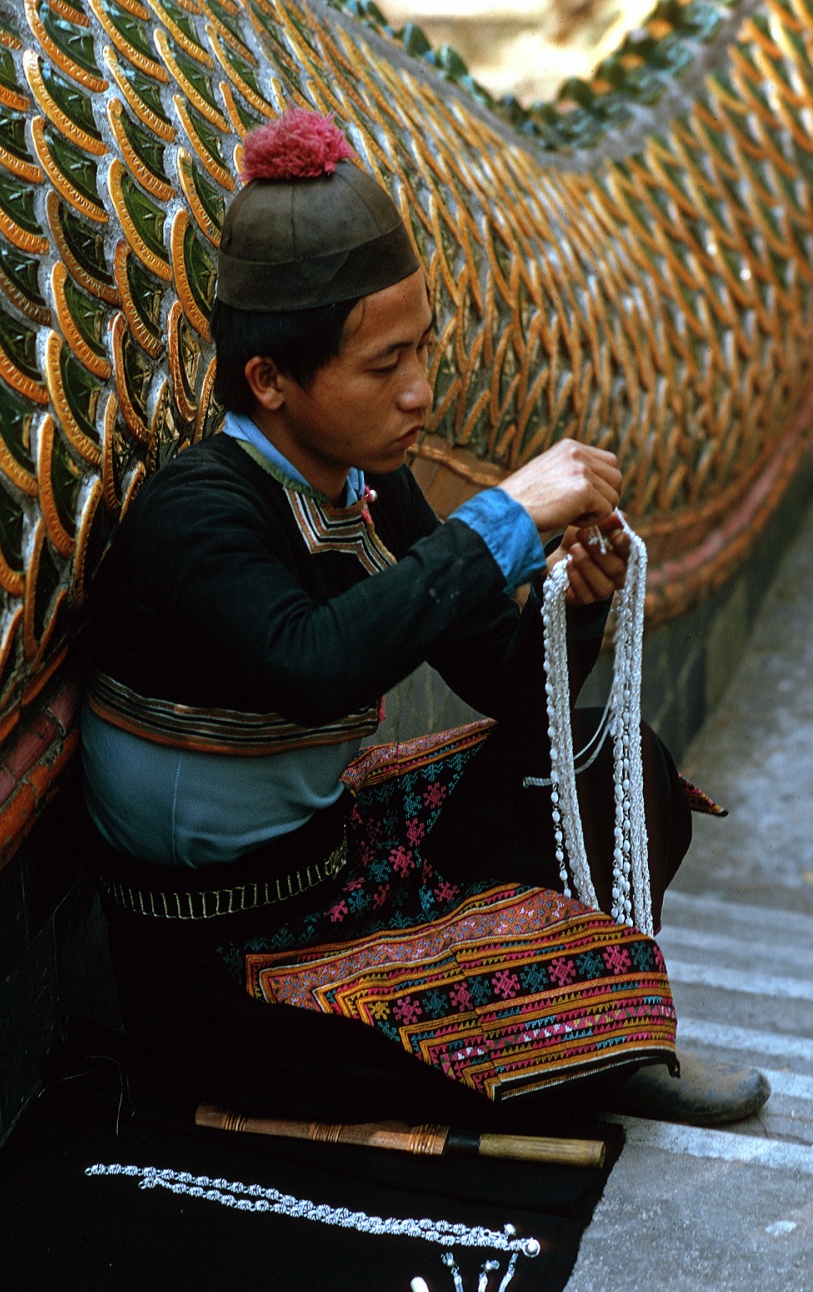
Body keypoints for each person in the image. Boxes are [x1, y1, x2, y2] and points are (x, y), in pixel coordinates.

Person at [82, 110, 768, 1128]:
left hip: (337, 859)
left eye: (423, 352)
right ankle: (586, 1034)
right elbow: (311, 664)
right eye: (381, 366)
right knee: (551, 1045)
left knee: (604, 762)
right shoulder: (198, 514)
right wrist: (501, 519)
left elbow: (500, 680)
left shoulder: (364, 480)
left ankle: (571, 1014)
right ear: (269, 380)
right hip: (223, 960)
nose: (419, 393)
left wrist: (568, 605)